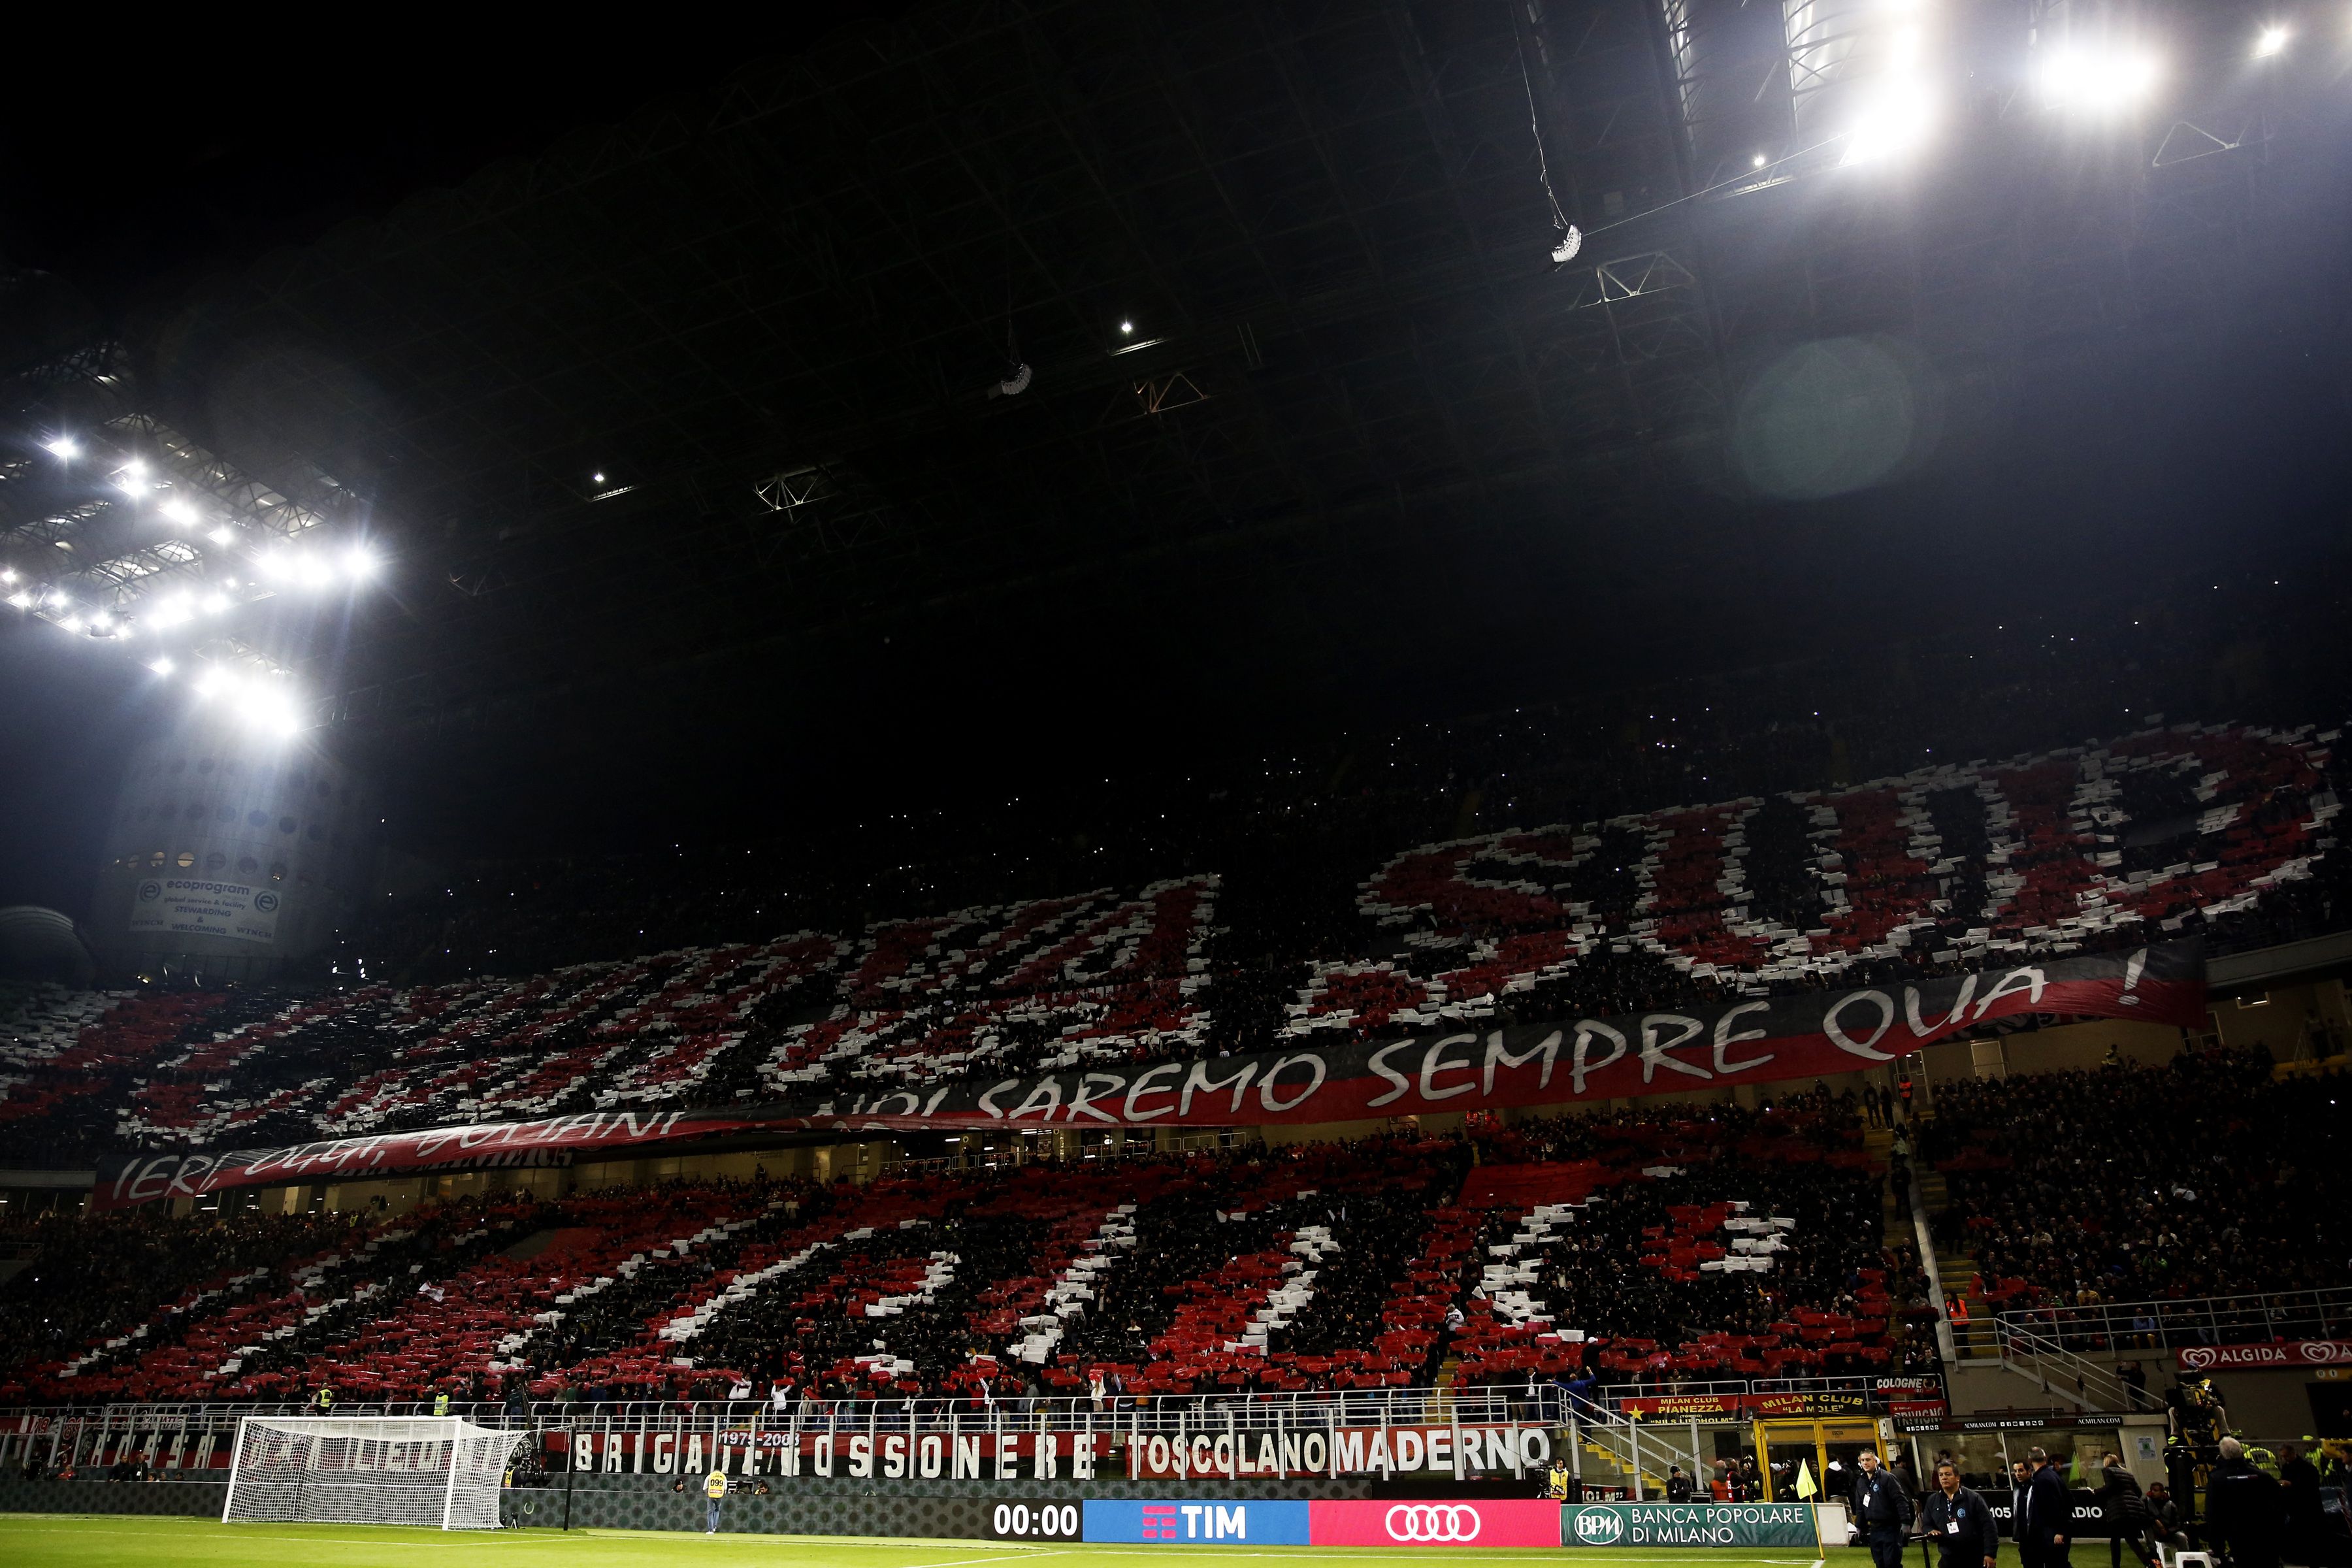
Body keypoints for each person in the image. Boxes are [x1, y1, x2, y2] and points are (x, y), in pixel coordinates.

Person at [2204, 1437, 2283, 1568]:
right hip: (2265, 1534)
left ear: (2222, 1455)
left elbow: (2213, 1514)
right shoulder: (2261, 1476)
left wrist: (2217, 1545)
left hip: (2237, 1537)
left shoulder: (2217, 1480)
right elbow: (2280, 1502)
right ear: (2241, 1452)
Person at [1920, 1461, 2000, 1568]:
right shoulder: (1933, 1501)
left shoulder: (1973, 1498)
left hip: (1974, 1557)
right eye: (1941, 1475)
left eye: (1948, 1474)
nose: (1944, 1478)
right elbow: (1926, 1525)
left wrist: (1990, 1554)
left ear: (1957, 1477)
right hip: (1948, 1558)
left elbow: (1989, 1527)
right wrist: (1931, 1531)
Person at [1853, 1449, 1917, 1568]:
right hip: (1874, 1529)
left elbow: (1901, 1501)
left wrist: (1905, 1522)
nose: (1865, 1463)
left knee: (1891, 1563)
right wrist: (1859, 1527)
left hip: (1890, 1527)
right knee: (1879, 1563)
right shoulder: (1861, 1482)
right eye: (1863, 1460)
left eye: (1868, 1460)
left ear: (1875, 1461)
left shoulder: (1887, 1478)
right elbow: (1860, 1506)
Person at [2095, 1456, 2155, 1568]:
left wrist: (2096, 1491)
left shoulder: (2108, 1471)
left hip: (2119, 1509)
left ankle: (2116, 1565)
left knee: (2116, 1540)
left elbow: (2109, 1488)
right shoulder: (2127, 1473)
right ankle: (2148, 1564)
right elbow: (2138, 1491)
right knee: (2131, 1539)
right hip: (2135, 1509)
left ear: (2106, 1462)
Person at [2017, 1448, 2071, 1568]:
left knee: (2057, 1564)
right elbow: (2070, 1501)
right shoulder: (2054, 1476)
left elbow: (2053, 1507)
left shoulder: (2041, 1480)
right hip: (2056, 1532)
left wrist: (2059, 1531)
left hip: (2051, 1534)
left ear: (2030, 1461)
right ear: (2046, 1458)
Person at [2276, 1443, 2322, 1567]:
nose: (2284, 1459)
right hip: (2295, 1509)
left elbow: (2311, 1487)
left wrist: (2291, 1485)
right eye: (2282, 1457)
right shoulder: (2286, 1467)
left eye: (2285, 1456)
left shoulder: (2308, 1468)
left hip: (2308, 1508)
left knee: (2311, 1537)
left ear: (2292, 1453)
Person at [704, 1467, 728, 1533]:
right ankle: (714, 1527)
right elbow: (725, 1488)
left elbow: (705, 1488)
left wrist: (708, 1494)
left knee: (710, 1513)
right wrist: (722, 1495)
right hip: (720, 1495)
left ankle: (710, 1530)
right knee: (717, 1510)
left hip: (711, 1494)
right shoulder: (723, 1476)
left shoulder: (710, 1476)